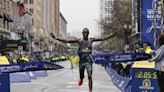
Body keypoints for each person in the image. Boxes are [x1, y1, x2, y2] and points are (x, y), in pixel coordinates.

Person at [51, 28, 117, 92]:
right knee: (82, 76)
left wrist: (112, 35)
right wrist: (56, 38)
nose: (86, 34)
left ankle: (90, 90)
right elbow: (67, 41)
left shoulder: (91, 40)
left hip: (88, 61)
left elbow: (102, 39)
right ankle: (81, 79)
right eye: (84, 33)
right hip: (82, 62)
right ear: (82, 34)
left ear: (88, 34)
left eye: (87, 33)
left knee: (90, 76)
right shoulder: (79, 41)